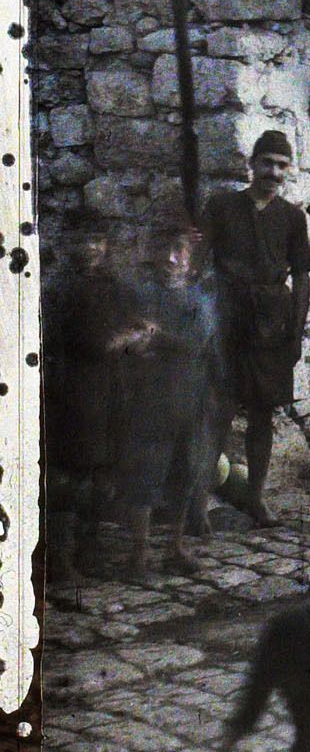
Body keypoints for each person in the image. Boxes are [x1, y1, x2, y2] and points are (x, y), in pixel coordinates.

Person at [202, 129, 310, 526]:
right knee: (217, 411)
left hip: (270, 325)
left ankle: (255, 496)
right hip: (229, 321)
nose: (273, 171)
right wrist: (205, 320)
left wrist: (295, 330)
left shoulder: (293, 218)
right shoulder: (221, 206)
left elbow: (302, 278)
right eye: (266, 162)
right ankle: (198, 503)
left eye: (282, 165)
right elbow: (200, 264)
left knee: (263, 413)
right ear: (251, 164)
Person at [43, 217, 149, 591]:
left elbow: (141, 328)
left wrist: (136, 335)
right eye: (81, 239)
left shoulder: (114, 286)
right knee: (71, 473)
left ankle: (88, 551)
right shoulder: (60, 288)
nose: (90, 247)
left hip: (110, 391)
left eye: (96, 240)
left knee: (102, 471)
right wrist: (128, 336)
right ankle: (60, 558)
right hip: (73, 391)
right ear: (67, 244)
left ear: (106, 245)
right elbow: (94, 341)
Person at [117, 220, 223, 581]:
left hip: (190, 394)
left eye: (180, 250)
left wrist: (157, 336)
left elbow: (198, 342)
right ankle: (138, 555)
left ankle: (175, 547)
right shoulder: (140, 294)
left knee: (187, 470)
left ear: (191, 259)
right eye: (164, 249)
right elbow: (128, 339)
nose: (171, 258)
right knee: (147, 473)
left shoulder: (200, 300)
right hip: (150, 397)